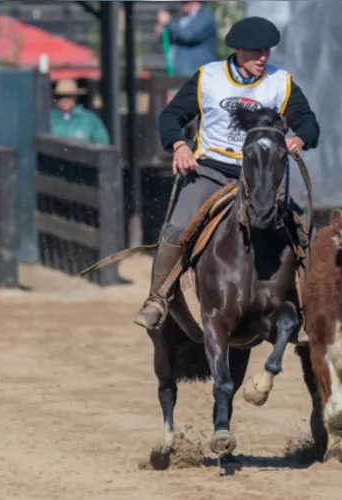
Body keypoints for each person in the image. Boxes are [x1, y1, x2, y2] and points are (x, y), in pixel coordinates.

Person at [133, 16, 320, 331]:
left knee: (305, 231)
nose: (264, 57)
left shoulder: (281, 82)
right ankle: (157, 298)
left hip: (262, 178)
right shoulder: (208, 77)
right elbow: (172, 116)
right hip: (210, 173)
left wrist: (300, 137)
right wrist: (179, 145)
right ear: (238, 50)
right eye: (256, 51)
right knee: (177, 229)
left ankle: (311, 307)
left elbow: (308, 122)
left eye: (267, 51)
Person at [155, 1, 217, 77]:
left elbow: (189, 35)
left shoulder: (205, 17)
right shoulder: (180, 18)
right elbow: (175, 37)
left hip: (196, 74)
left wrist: (169, 22)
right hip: (178, 73)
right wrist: (163, 32)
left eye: (185, 2)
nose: (182, 5)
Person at [49, 79, 110, 145]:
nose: (64, 100)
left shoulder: (90, 119)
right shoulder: (49, 118)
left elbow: (102, 144)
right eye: (60, 97)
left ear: (75, 97)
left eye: (69, 96)